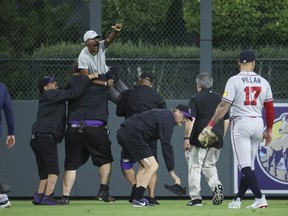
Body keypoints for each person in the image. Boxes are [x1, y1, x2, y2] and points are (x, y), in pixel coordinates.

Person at [201, 50, 274, 209]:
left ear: (238, 62)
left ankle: (260, 197)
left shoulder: (234, 80)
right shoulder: (263, 81)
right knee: (249, 166)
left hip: (241, 124)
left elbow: (223, 106)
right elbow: (269, 109)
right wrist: (269, 130)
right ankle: (237, 200)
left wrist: (211, 125)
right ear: (254, 63)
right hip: (258, 123)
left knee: (245, 166)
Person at [30, 73, 97, 205]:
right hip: (46, 137)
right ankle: (48, 196)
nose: (55, 83)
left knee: (44, 171)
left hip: (37, 137)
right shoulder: (51, 94)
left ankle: (38, 196)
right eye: (52, 82)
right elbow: (73, 93)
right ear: (46, 87)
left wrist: (77, 77)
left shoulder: (50, 95)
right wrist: (87, 78)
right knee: (53, 170)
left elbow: (67, 89)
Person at [58, 68, 116, 205]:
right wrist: (103, 67)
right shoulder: (103, 83)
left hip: (74, 128)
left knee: (71, 165)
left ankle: (65, 197)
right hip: (96, 128)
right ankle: (103, 191)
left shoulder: (73, 84)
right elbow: (117, 71)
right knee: (104, 160)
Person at [117, 104, 192, 207]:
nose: (185, 120)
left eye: (187, 118)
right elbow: (166, 146)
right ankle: (138, 199)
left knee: (144, 166)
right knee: (153, 165)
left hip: (125, 132)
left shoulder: (165, 116)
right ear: (177, 111)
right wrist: (172, 172)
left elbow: (150, 135)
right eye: (184, 116)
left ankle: (136, 196)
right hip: (133, 133)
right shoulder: (168, 119)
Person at [116, 72, 166, 205]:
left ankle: (136, 186)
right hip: (150, 135)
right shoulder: (156, 95)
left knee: (126, 164)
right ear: (152, 84)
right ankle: (151, 196)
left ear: (139, 80)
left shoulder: (128, 93)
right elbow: (163, 114)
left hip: (131, 132)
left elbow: (119, 111)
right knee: (151, 165)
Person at [183, 72, 230, 206]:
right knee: (209, 165)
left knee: (195, 166)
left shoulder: (195, 99)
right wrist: (221, 136)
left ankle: (196, 198)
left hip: (201, 135)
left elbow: (191, 119)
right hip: (217, 136)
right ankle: (216, 187)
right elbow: (226, 120)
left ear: (198, 85)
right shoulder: (220, 99)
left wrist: (186, 137)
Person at [78, 23, 127, 104]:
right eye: (93, 39)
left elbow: (108, 40)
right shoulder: (83, 56)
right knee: (121, 101)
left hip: (109, 75)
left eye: (97, 38)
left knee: (129, 95)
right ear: (86, 43)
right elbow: (86, 79)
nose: (96, 41)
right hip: (99, 81)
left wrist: (115, 31)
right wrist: (105, 83)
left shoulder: (100, 46)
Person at [0, 82, 15, 208]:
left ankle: (2, 197)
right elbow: (8, 108)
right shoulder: (2, 87)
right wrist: (11, 132)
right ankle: (2, 197)